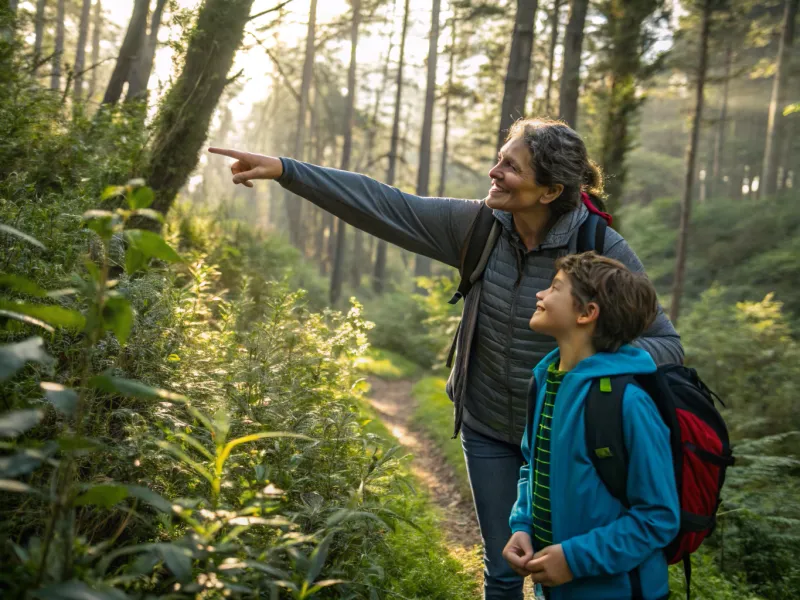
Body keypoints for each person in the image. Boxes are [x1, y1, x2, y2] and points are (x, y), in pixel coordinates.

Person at [208, 118, 683, 600]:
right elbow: (385, 204)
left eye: (511, 167)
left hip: (563, 442)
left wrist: (585, 358)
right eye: (499, 158)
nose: (494, 172)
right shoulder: (478, 226)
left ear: (550, 191)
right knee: (502, 567)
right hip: (487, 424)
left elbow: (667, 344)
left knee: (564, 572)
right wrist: (288, 171)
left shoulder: (600, 252)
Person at [502, 252, 680, 600]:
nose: (540, 295)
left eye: (554, 288)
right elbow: (532, 469)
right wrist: (522, 526)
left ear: (586, 313)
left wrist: (574, 559)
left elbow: (658, 517)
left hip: (621, 592)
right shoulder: (546, 381)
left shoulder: (628, 401)